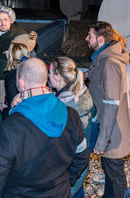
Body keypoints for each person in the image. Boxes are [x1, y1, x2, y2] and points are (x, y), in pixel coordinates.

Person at [0, 58, 89, 198]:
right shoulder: (71, 115)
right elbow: (82, 157)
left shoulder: (9, 128)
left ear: (21, 83)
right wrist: (65, 181)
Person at [85, 21, 130, 197]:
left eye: (89, 35)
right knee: (110, 173)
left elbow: (111, 104)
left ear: (101, 39)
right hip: (109, 127)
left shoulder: (110, 62)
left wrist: (102, 140)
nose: (86, 39)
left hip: (113, 132)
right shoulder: (102, 58)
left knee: (116, 177)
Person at [49, 56, 93, 198]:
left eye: (50, 72)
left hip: (70, 168)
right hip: (79, 163)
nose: (47, 75)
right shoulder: (81, 92)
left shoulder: (64, 109)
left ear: (58, 77)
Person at [2, 33, 36, 117]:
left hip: (19, 119)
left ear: (10, 57)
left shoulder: (12, 76)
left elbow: (13, 105)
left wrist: (4, 110)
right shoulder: (32, 71)